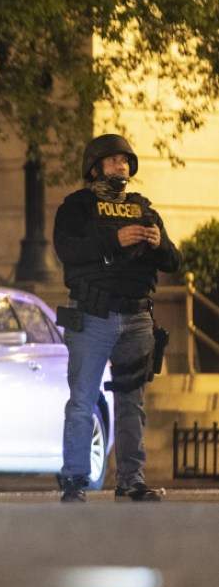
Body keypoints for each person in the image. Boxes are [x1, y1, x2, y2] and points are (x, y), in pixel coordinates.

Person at [54, 134, 180, 503]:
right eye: (113, 160)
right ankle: (75, 480)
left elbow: (173, 261)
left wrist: (159, 244)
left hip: (138, 317)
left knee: (131, 401)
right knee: (82, 399)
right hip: (94, 316)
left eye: (125, 160)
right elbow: (67, 250)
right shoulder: (76, 207)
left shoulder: (145, 209)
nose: (121, 166)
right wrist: (114, 241)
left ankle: (131, 480)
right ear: (94, 167)